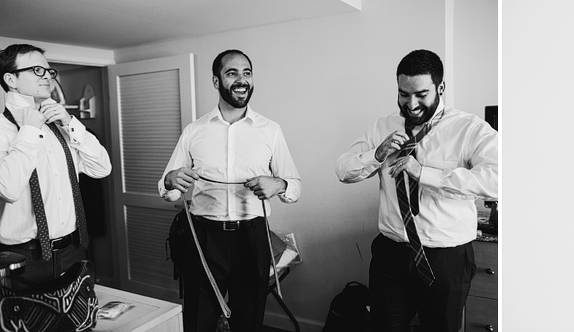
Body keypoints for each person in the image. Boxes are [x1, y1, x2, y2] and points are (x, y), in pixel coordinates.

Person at [336, 49, 498, 332]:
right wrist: (376, 153)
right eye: (403, 94)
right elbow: (343, 170)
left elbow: (498, 179)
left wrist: (425, 173)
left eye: (421, 94)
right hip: (391, 254)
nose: (411, 104)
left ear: (441, 87)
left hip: (445, 258)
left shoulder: (469, 129)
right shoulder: (382, 127)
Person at [158, 49, 302, 332]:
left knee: (248, 322)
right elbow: (169, 190)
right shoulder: (194, 131)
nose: (242, 80)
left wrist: (279, 184)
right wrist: (171, 180)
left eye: (246, 73)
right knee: (198, 320)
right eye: (232, 73)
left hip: (252, 237)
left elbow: (294, 186)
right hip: (204, 238)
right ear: (216, 81)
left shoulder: (270, 131)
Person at [0, 44, 112, 282]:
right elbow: (8, 189)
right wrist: (29, 131)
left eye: (49, 71)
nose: (48, 77)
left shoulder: (61, 126)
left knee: (80, 318)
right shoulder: (2, 130)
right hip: (23, 259)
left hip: (74, 250)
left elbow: (102, 168)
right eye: (37, 70)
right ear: (11, 79)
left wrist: (71, 123)